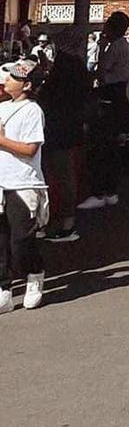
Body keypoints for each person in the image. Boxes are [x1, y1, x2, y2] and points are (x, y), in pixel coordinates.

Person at [0, 60, 47, 313]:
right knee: (1, 239)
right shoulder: (2, 107)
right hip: (0, 180)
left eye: (13, 78)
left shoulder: (32, 111)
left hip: (22, 182)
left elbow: (30, 149)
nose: (6, 80)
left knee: (21, 239)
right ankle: (4, 288)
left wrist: (1, 140)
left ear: (27, 85)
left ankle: (34, 274)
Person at [36, 30, 90, 242]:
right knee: (63, 173)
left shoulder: (65, 63)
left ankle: (62, 221)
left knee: (57, 173)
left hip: (57, 125)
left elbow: (51, 92)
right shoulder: (78, 65)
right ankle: (63, 220)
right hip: (69, 125)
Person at [80, 10, 129, 211]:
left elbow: (102, 71)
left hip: (110, 94)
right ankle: (110, 190)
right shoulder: (125, 46)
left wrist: (101, 48)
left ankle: (100, 191)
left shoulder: (115, 47)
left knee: (101, 143)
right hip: (118, 95)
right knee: (110, 145)